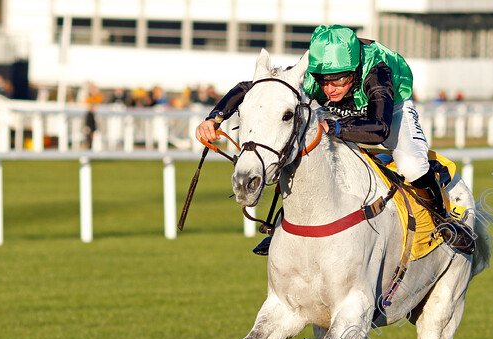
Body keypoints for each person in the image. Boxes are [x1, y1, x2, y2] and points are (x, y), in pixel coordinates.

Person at [195, 24, 473, 256]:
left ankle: (444, 222)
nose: (330, 88)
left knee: (412, 165)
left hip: (387, 111)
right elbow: (252, 87)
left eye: (339, 81)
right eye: (324, 80)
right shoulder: (319, 73)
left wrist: (336, 127)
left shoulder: (378, 71)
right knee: (296, 151)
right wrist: (215, 117)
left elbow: (379, 129)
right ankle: (280, 226)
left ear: (354, 71)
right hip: (341, 116)